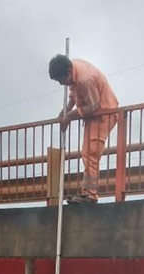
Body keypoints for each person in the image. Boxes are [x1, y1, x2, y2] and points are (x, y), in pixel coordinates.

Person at [48, 55, 119, 204]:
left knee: (91, 154)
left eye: (60, 80)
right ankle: (87, 193)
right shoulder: (74, 69)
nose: (61, 84)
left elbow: (93, 106)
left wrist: (70, 116)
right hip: (93, 116)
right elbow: (75, 94)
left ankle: (91, 196)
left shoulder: (85, 79)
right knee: (86, 153)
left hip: (103, 114)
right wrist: (66, 110)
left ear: (68, 72)